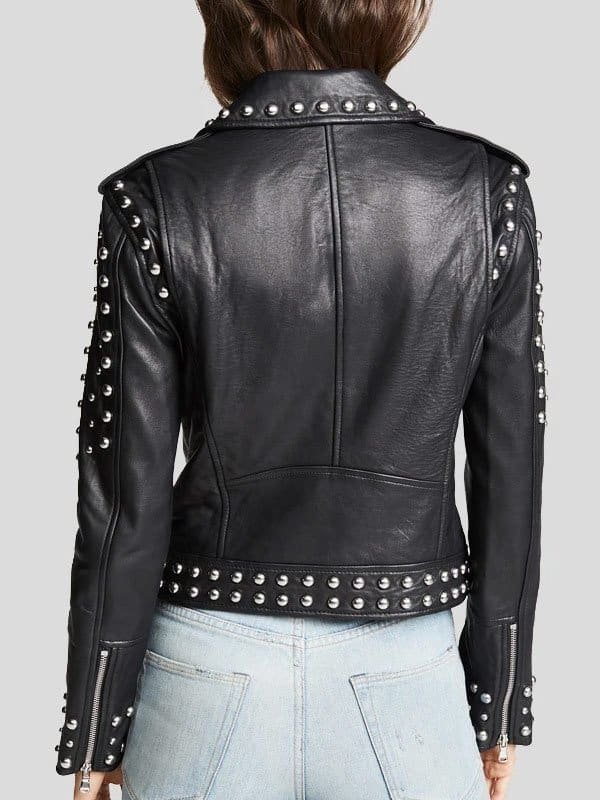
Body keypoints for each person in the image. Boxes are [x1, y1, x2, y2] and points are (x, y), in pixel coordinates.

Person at [55, 2, 544, 798]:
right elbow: (511, 474)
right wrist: (500, 701)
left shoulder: (155, 197)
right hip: (405, 667)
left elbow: (121, 503)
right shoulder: (487, 192)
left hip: (206, 662)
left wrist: (97, 723)